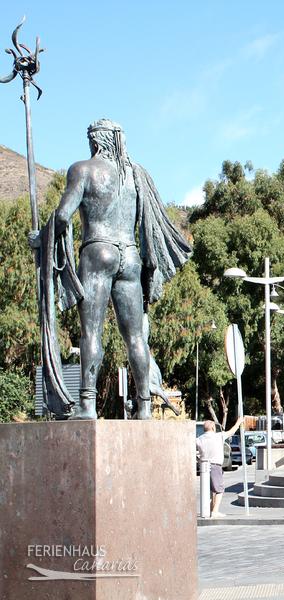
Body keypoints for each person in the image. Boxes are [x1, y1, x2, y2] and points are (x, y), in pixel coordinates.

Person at [32, 119, 191, 420]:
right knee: (135, 338)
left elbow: (64, 216)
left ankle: (87, 405)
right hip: (130, 256)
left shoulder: (83, 170)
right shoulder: (136, 175)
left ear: (95, 142)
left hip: (97, 250)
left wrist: (43, 237)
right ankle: (144, 407)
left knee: (91, 331)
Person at [196, 416, 244, 518]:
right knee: (219, 490)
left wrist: (199, 458)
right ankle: (215, 511)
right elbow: (231, 431)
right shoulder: (218, 436)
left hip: (203, 466)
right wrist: (238, 422)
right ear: (213, 428)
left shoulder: (199, 439)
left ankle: (209, 510)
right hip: (215, 466)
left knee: (210, 489)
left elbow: (193, 451)